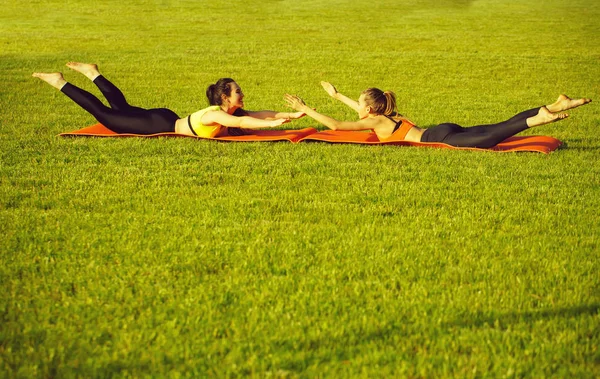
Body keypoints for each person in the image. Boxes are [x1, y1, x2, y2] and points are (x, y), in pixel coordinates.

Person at [284, 82, 591, 148]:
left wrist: (307, 109)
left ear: (369, 110)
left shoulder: (375, 120)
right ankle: (556, 104)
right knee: (498, 125)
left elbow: (338, 124)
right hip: (442, 129)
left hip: (441, 137)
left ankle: (541, 118)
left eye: (360, 105)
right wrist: (337, 96)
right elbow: (357, 111)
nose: (359, 108)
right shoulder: (384, 115)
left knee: (493, 137)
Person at [32, 62, 306, 136]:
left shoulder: (227, 112)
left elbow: (258, 114)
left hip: (164, 118)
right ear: (225, 97)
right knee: (106, 116)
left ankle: (93, 73)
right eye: (238, 92)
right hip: (159, 124)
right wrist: (273, 126)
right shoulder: (215, 114)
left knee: (121, 109)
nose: (243, 95)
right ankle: (60, 81)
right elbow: (252, 120)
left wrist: (290, 116)